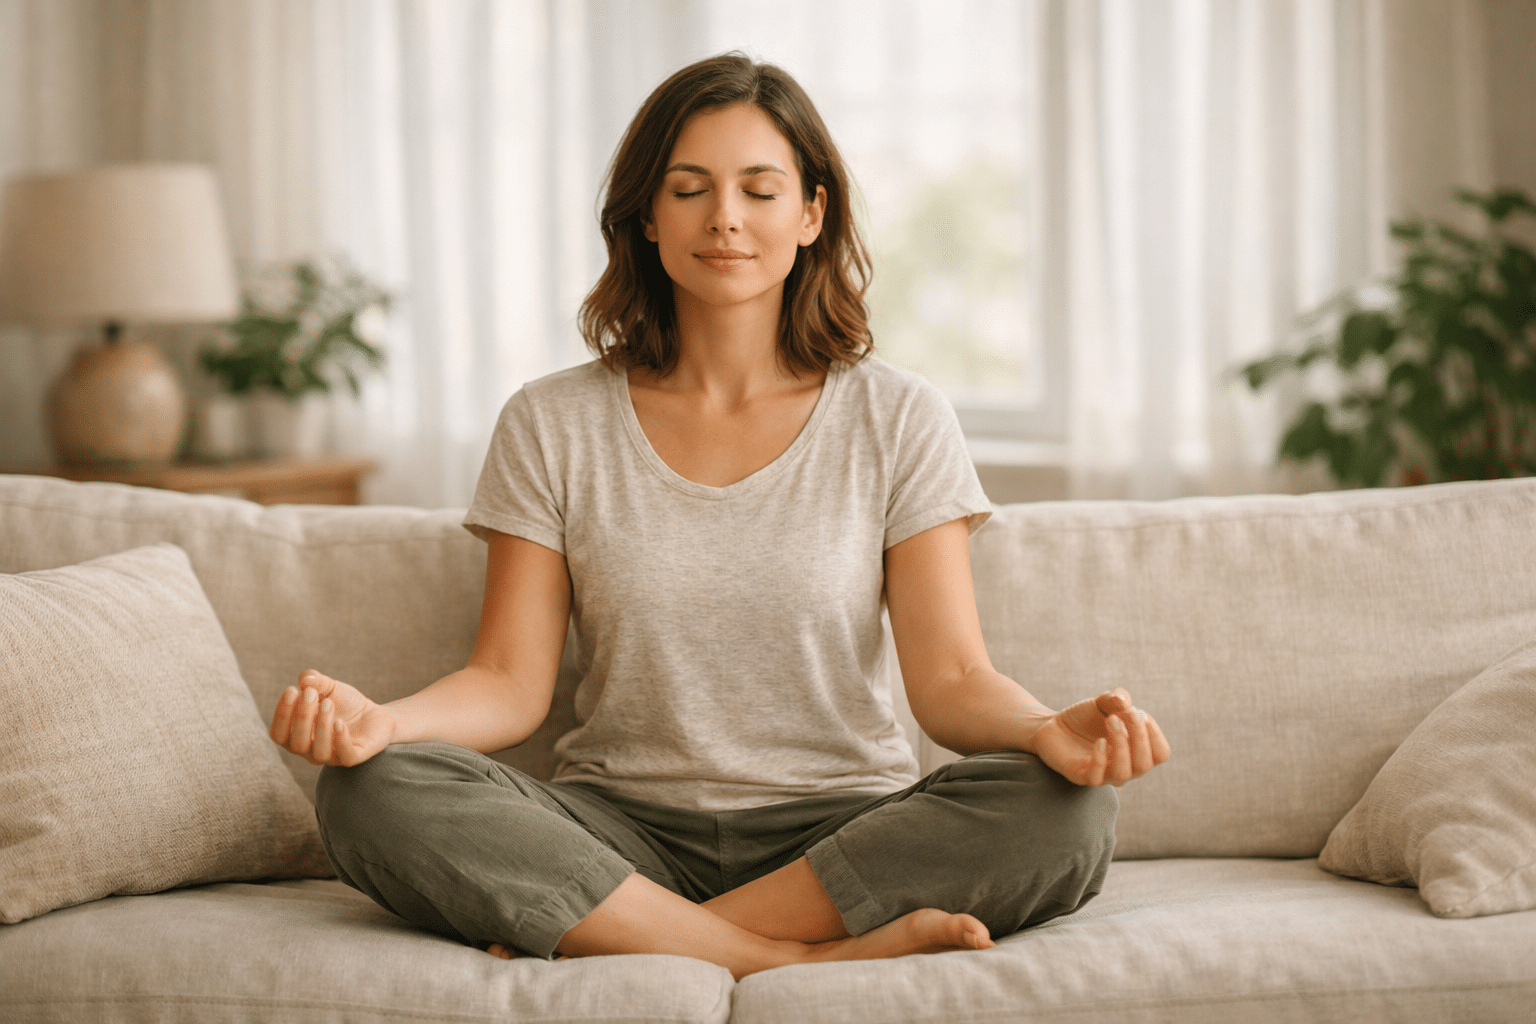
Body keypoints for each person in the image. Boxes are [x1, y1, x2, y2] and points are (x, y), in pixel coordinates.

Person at [269, 52, 1170, 980]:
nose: (725, 218)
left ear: (812, 213)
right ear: (647, 219)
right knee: (373, 790)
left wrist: (1039, 733)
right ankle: (780, 955)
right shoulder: (551, 420)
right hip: (618, 830)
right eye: (690, 188)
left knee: (1067, 805)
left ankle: (627, 931)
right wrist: (382, 723)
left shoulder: (898, 416)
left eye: (759, 189)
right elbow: (506, 681)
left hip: (841, 830)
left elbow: (950, 679)